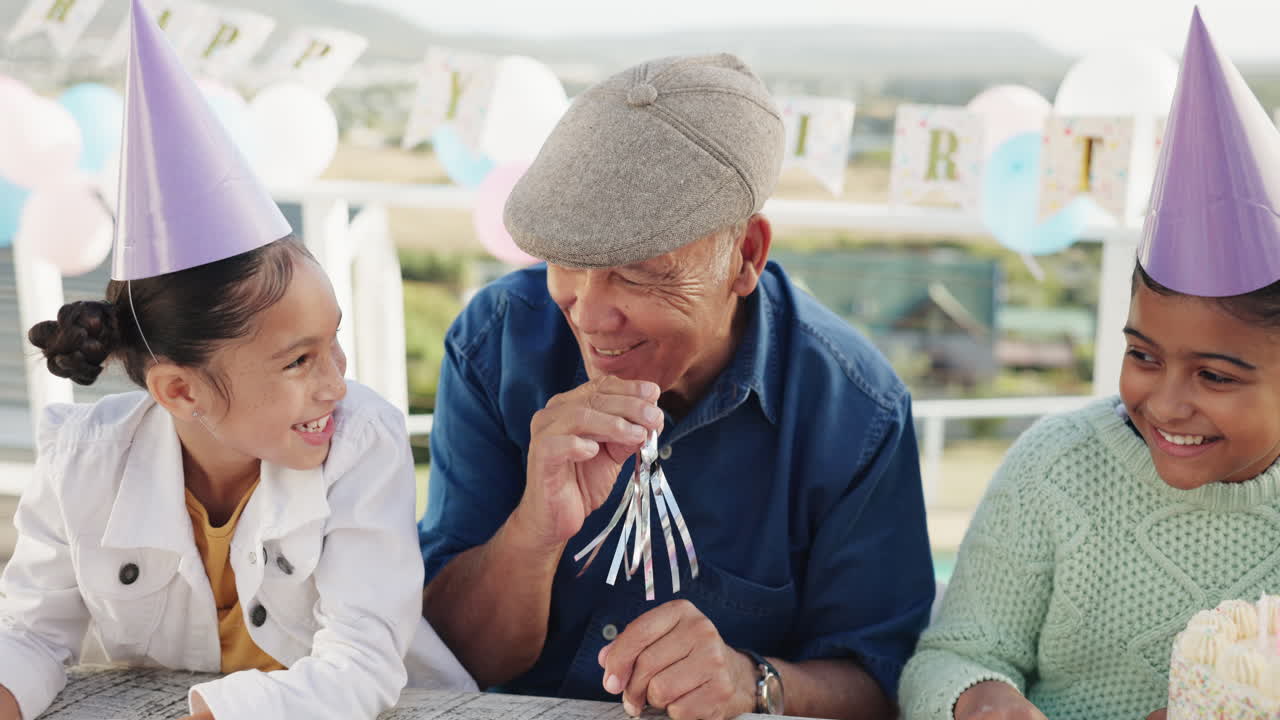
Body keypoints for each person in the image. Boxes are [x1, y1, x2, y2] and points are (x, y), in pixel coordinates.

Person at [419, 52, 935, 720]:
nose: (589, 313)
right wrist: (536, 530)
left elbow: (880, 684)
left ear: (746, 255)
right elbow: (451, 657)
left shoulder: (858, 411)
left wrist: (754, 683)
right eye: (568, 262)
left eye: (639, 273)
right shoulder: (496, 345)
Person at [0, 3, 473, 720]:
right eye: (298, 361)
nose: (337, 382)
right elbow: (30, 632)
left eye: (333, 342)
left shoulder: (361, 445)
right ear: (181, 392)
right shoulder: (82, 463)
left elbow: (359, 669)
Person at [899, 10, 1280, 720]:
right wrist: (980, 701)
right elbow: (951, 655)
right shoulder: (1056, 468)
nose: (1165, 402)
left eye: (1215, 376)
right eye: (1142, 355)